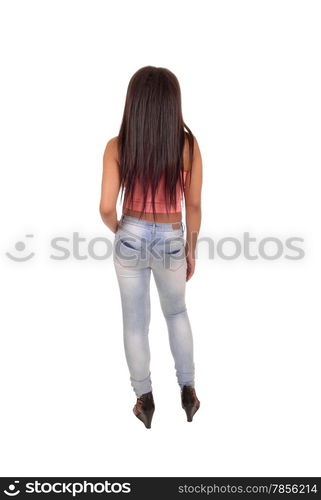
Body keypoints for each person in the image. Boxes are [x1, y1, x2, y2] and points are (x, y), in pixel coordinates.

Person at [99, 66, 203, 428]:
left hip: (130, 232)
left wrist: (121, 231)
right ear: (172, 103)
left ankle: (144, 400)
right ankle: (188, 392)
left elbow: (106, 208)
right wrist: (189, 248)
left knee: (135, 322)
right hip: (172, 236)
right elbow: (193, 206)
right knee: (176, 313)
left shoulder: (117, 146)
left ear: (135, 103)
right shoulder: (187, 145)